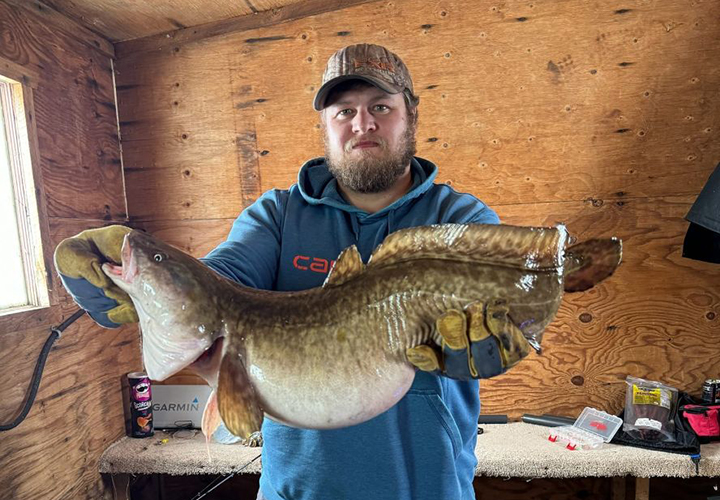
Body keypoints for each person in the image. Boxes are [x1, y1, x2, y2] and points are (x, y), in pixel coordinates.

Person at [55, 44, 531, 500]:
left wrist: (496, 338)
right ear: (326, 126)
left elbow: (500, 339)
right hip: (297, 493)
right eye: (344, 111)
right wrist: (105, 282)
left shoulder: (462, 220)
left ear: (410, 115)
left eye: (380, 107)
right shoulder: (277, 216)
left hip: (430, 490)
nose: (362, 123)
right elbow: (221, 278)